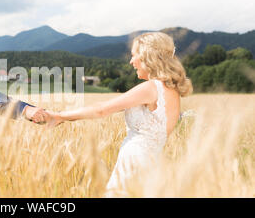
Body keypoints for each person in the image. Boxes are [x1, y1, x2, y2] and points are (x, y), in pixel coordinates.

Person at [46, 32, 193, 196]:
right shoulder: (171, 91)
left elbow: (101, 109)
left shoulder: (151, 88)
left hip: (134, 165)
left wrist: (59, 116)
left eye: (134, 55)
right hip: (150, 163)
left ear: (147, 57)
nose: (131, 61)